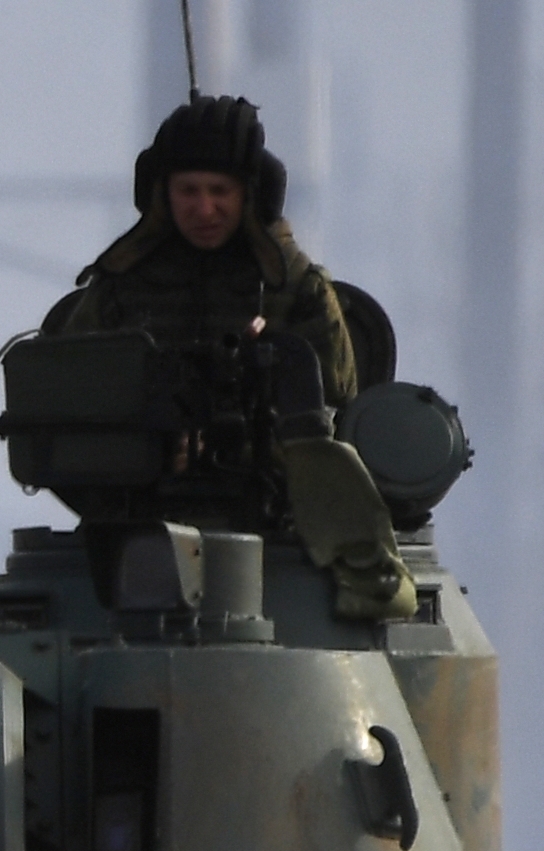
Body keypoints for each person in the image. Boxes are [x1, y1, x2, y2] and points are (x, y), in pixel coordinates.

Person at [42, 95, 419, 625]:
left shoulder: (296, 291)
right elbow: (72, 401)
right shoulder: (119, 292)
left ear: (250, 193)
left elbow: (335, 424)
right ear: (161, 194)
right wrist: (149, 442)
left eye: (220, 191)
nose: (204, 209)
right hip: (136, 527)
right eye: (188, 191)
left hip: (279, 527)